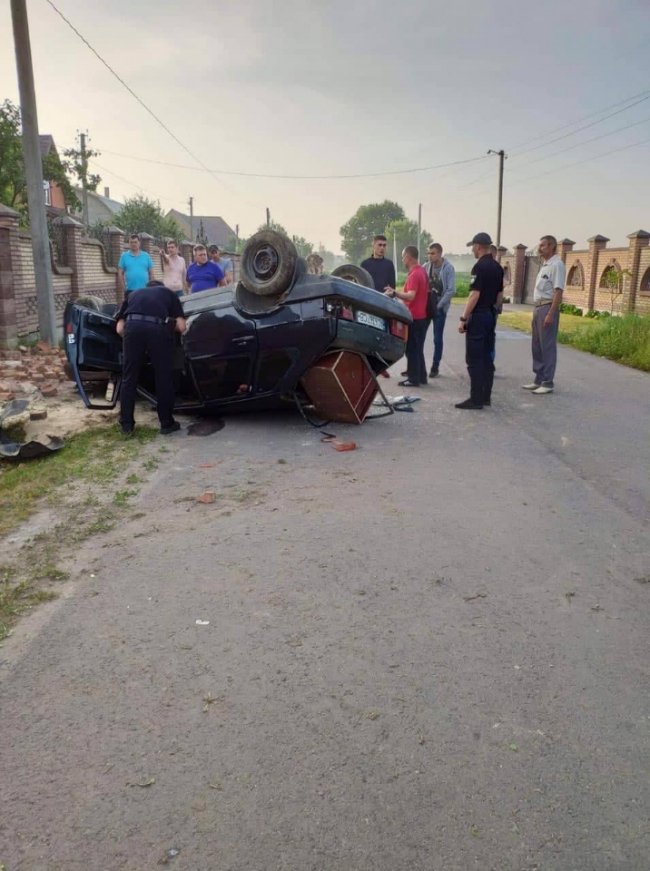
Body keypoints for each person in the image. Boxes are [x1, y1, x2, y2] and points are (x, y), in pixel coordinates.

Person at [115, 280, 186, 436]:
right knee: (163, 376)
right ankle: (167, 424)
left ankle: (127, 426)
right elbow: (181, 327)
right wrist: (166, 326)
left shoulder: (133, 294)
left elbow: (120, 329)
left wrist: (137, 345)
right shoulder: (170, 294)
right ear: (161, 287)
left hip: (132, 328)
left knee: (129, 377)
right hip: (157, 329)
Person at [455, 232, 503, 409]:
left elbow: (474, 295)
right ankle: (485, 397)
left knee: (474, 359)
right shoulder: (498, 268)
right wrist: (494, 313)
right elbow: (499, 295)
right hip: (491, 315)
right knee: (487, 358)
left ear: (479, 246)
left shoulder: (479, 267)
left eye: (473, 247)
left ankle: (475, 399)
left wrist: (463, 318)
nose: (472, 250)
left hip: (479, 316)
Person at [522, 235, 565, 394]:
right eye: (539, 245)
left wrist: (551, 314)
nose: (540, 248)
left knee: (547, 346)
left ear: (552, 247)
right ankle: (538, 378)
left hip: (547, 307)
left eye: (543, 246)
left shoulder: (557, 265)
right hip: (538, 307)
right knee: (537, 345)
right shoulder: (545, 264)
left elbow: (558, 291)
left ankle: (547, 382)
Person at [385, 246, 429, 387]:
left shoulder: (415, 274)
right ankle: (421, 376)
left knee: (411, 349)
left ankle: (413, 379)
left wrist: (395, 293)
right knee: (418, 348)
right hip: (422, 316)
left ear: (409, 257)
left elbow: (410, 296)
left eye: (403, 256)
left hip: (414, 317)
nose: (402, 259)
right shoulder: (422, 271)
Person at [423, 243, 456, 377]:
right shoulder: (426, 267)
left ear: (440, 253)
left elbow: (451, 290)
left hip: (439, 308)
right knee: (419, 336)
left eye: (433, 253)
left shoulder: (448, 268)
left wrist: (439, 306)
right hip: (426, 307)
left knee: (437, 338)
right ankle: (416, 366)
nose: (430, 256)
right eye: (429, 253)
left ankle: (435, 366)